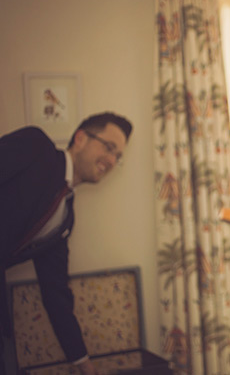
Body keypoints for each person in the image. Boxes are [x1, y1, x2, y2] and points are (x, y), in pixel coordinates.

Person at [0, 112, 132, 375]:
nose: (112, 160)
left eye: (118, 156)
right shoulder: (35, 146)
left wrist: (83, 363)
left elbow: (56, 293)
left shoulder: (64, 220)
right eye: (108, 147)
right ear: (81, 138)